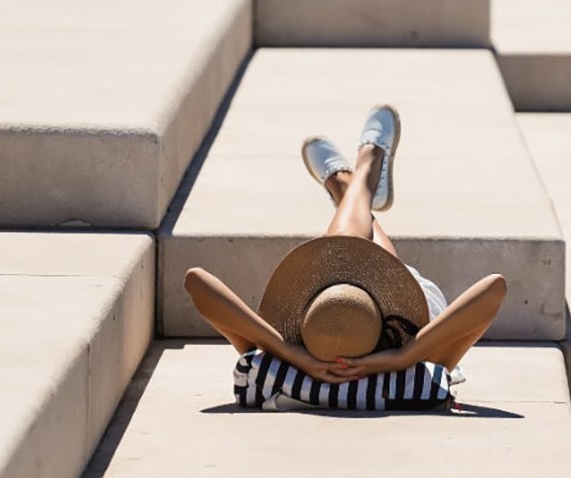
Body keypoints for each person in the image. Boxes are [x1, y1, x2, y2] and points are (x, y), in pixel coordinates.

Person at [182, 104, 509, 409]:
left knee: (346, 240)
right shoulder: (417, 374)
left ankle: (349, 185)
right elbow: (494, 289)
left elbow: (197, 282)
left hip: (336, 296)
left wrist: (290, 353)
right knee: (347, 241)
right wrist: (401, 356)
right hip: (410, 310)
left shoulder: (280, 372)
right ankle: (363, 168)